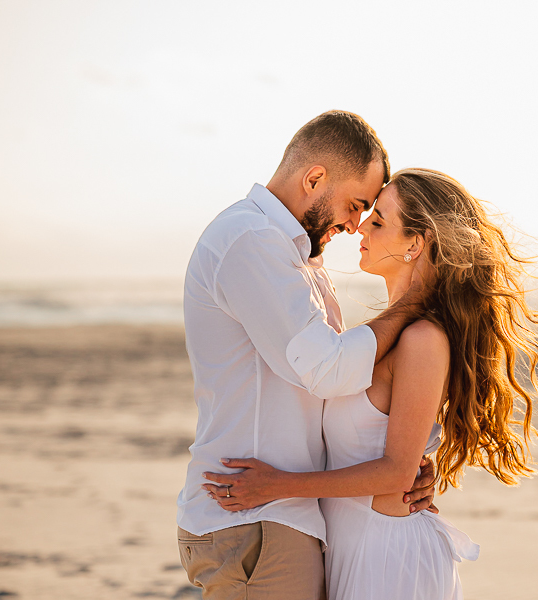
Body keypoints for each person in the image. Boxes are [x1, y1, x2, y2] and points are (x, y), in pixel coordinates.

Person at [203, 168, 538, 599]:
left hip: (388, 559)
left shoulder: (423, 340)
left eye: (378, 222)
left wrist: (277, 485)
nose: (361, 228)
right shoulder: (383, 337)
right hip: (352, 550)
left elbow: (396, 471)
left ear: (415, 243)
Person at [177, 112, 437, 600]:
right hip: (254, 519)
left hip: (283, 518)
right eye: (357, 204)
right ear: (314, 177)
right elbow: (327, 369)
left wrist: (404, 460)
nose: (356, 224)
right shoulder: (250, 241)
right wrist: (412, 304)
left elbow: (335, 397)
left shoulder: (295, 255)